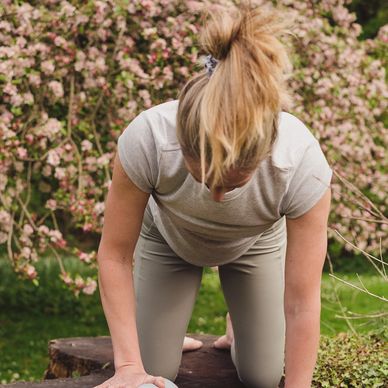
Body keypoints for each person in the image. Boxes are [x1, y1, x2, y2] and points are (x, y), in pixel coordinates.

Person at [95, 2, 332, 388]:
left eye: (234, 182)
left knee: (262, 377)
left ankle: (237, 327)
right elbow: (114, 255)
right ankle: (167, 338)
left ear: (264, 156)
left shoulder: (300, 163)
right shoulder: (149, 139)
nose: (218, 197)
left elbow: (302, 301)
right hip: (168, 239)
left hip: (254, 243)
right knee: (153, 371)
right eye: (205, 179)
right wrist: (127, 368)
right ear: (182, 144)